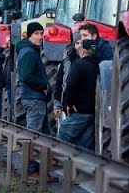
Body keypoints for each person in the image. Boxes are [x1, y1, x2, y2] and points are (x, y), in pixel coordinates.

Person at [15, 22, 57, 182]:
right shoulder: (29, 53)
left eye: (41, 33)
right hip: (33, 98)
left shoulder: (30, 51)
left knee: (45, 135)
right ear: (29, 35)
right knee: (33, 135)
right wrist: (44, 86)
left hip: (35, 98)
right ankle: (30, 171)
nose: (40, 37)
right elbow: (26, 76)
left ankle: (41, 171)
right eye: (37, 34)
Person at [58, 38, 101, 150]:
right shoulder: (100, 66)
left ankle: (64, 163)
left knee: (64, 133)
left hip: (79, 111)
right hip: (94, 112)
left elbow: (70, 85)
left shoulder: (78, 65)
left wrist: (69, 103)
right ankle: (83, 167)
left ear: (82, 51)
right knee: (86, 145)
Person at [52, 32, 83, 122]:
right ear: (74, 45)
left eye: (82, 43)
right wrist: (57, 105)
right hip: (68, 105)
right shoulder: (67, 61)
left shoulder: (91, 62)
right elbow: (59, 83)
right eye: (77, 43)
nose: (80, 46)